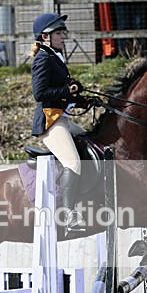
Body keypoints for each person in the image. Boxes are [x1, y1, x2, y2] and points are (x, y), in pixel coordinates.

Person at [29, 12, 88, 233]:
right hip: (50, 121)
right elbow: (40, 93)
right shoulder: (43, 58)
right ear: (45, 37)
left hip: (61, 117)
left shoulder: (55, 56)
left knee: (90, 142)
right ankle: (69, 216)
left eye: (63, 33)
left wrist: (82, 100)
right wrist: (67, 91)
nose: (64, 37)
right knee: (73, 162)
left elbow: (63, 93)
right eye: (59, 33)